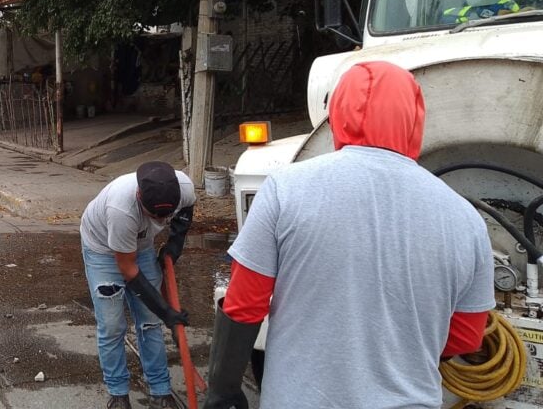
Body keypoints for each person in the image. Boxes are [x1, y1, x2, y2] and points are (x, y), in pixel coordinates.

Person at [203, 61, 493, 409]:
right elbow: (465, 336)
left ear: (337, 114)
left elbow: (244, 305)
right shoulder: (465, 217)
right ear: (415, 121)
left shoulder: (285, 188)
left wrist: (223, 390)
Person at [80, 161, 195, 409]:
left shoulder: (184, 187)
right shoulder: (121, 208)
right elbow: (128, 270)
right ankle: (119, 393)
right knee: (112, 326)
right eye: (156, 216)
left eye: (167, 215)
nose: (162, 220)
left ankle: (160, 391)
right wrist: (167, 312)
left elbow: (186, 211)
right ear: (139, 197)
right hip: (103, 250)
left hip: (141, 246)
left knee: (150, 322)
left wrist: (176, 243)